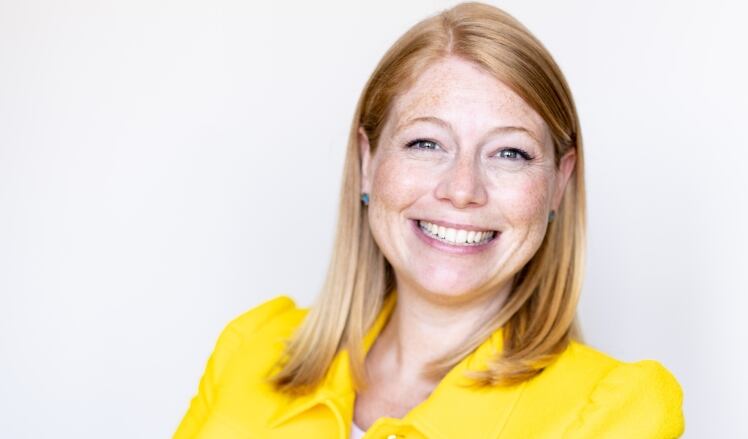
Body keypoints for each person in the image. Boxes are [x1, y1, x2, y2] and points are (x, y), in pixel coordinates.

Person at [173, 2, 684, 438]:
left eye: (510, 153)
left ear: (559, 181)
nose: (462, 189)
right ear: (367, 163)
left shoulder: (616, 413)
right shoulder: (250, 350)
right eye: (425, 143)